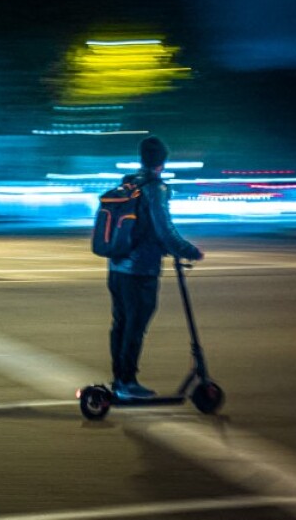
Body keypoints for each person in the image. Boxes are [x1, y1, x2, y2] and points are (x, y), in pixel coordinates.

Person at [107, 136, 203, 399]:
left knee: (122, 323)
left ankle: (120, 380)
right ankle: (127, 383)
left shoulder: (128, 184)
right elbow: (164, 229)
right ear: (162, 161)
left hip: (117, 267)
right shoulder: (154, 188)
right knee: (135, 325)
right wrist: (188, 250)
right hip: (140, 270)